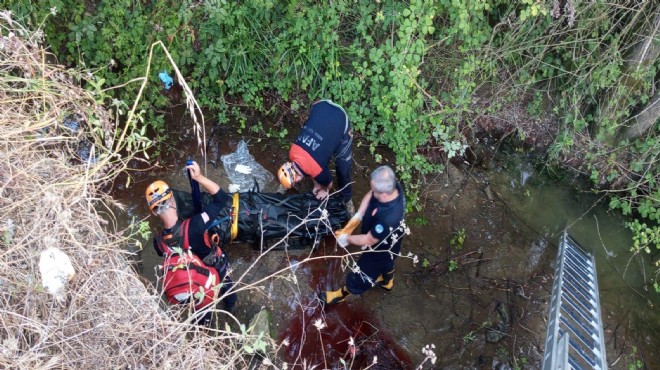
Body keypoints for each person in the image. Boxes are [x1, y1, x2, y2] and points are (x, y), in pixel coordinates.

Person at [145, 161, 237, 323]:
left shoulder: (158, 242)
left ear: (154, 212)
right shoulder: (195, 225)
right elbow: (222, 199)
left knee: (201, 308)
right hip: (214, 269)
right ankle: (230, 306)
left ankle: (204, 326)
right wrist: (199, 177)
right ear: (172, 200)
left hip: (194, 283)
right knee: (226, 287)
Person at [320, 165, 406, 305]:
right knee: (389, 260)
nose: (372, 192)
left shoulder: (388, 218)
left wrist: (346, 238)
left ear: (384, 194)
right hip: (393, 240)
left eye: (375, 191)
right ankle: (387, 282)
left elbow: (369, 239)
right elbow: (371, 193)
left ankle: (339, 295)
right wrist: (358, 216)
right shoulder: (392, 186)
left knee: (362, 274)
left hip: (379, 249)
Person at [277, 100, 354, 213]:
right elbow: (310, 165)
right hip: (320, 106)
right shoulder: (293, 152)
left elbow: (329, 183)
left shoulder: (318, 170)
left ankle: (347, 199)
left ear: (297, 179)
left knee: (343, 167)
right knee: (319, 155)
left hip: (340, 119)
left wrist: (324, 189)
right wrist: (317, 183)